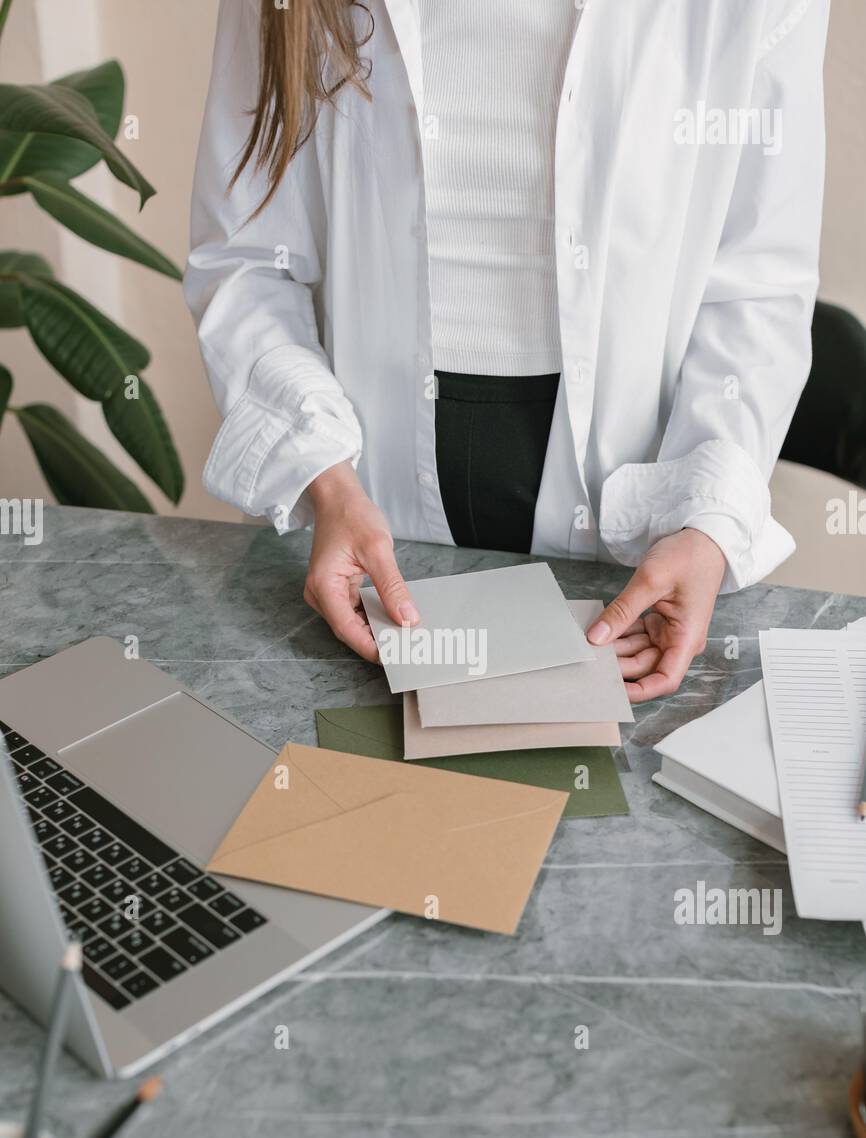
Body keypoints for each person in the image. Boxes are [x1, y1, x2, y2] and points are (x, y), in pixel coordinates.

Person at [185, 0, 829, 701]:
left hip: (634, 531)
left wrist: (708, 520)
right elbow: (247, 260)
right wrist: (324, 478)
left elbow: (758, 285)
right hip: (363, 504)